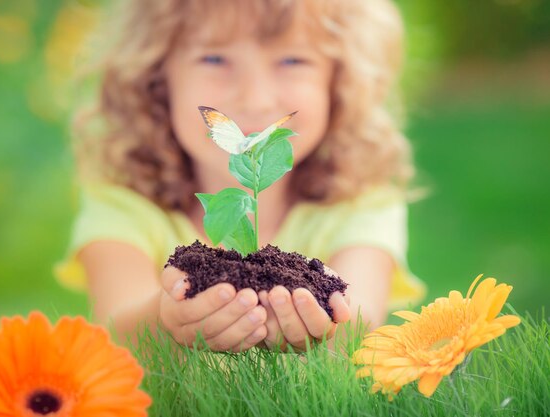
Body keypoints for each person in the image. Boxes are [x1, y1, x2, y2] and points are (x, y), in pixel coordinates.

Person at [56, 0, 426, 352]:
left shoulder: (358, 205)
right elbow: (119, 329)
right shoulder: (125, 205)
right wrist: (166, 320)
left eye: (293, 59)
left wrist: (327, 322)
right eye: (214, 58)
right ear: (156, 77)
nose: (255, 98)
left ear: (339, 80)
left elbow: (361, 324)